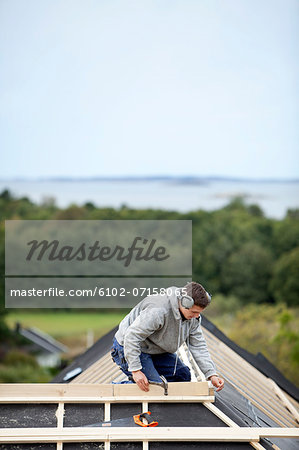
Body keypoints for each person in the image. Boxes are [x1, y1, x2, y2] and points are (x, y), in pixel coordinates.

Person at [111, 282, 224, 392]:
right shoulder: (158, 311)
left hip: (155, 350)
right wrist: (136, 371)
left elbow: (198, 345)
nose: (197, 316)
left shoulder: (193, 318)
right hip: (129, 347)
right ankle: (115, 389)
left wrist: (211, 374)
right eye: (194, 312)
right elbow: (131, 337)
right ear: (185, 302)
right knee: (155, 388)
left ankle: (148, 380)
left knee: (182, 376)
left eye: (199, 313)